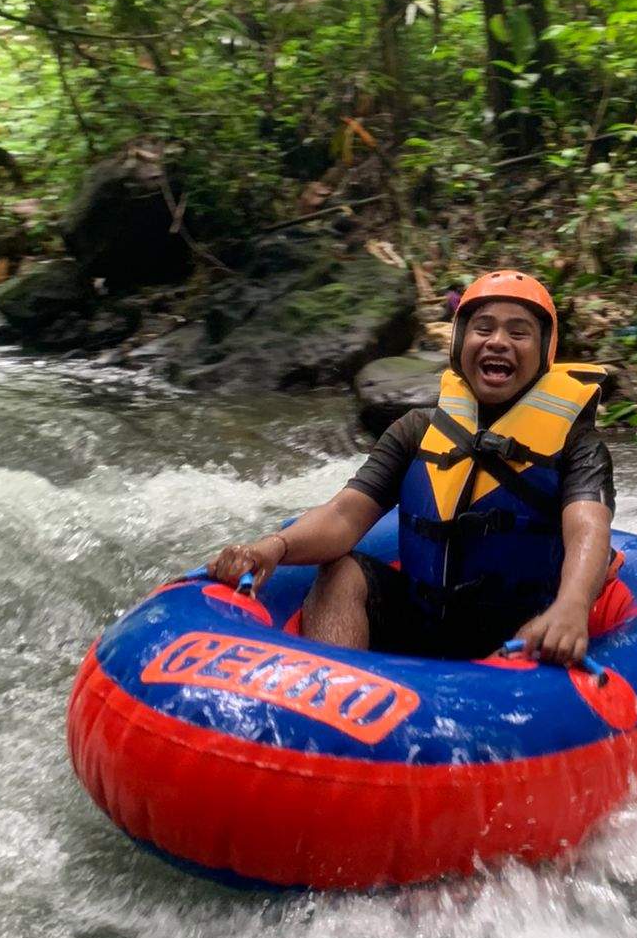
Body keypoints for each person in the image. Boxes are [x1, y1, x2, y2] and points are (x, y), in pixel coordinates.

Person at [207, 270, 615, 667]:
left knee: (535, 637)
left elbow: (587, 527)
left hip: (514, 635)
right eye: (483, 328)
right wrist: (272, 548)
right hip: (418, 620)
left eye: (518, 333)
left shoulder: (578, 445)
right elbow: (342, 515)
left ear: (544, 350)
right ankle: (334, 687)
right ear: (460, 343)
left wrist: (573, 605)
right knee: (341, 571)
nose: (498, 342)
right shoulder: (416, 430)